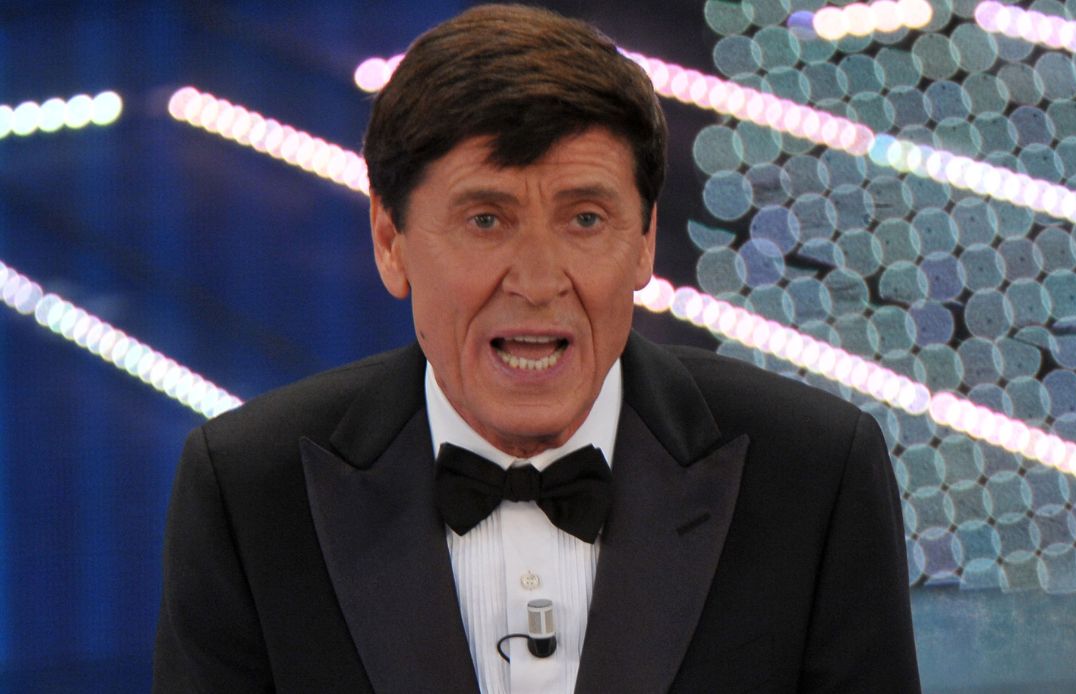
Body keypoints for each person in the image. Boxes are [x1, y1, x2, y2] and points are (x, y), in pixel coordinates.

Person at [153, 4, 919, 692]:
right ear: (390, 240)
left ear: (644, 241)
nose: (538, 281)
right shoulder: (250, 492)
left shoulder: (813, 475)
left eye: (585, 219)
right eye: (485, 220)